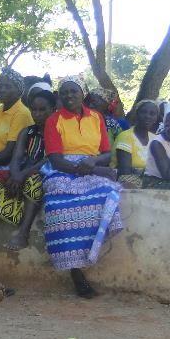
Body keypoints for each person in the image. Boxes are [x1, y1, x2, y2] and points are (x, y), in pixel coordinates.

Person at [41, 77, 122, 298]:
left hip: (91, 165)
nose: (69, 96)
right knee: (58, 206)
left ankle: (90, 253)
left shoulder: (96, 117)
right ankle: (75, 272)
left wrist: (94, 162)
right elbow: (56, 160)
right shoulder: (53, 120)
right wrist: (92, 169)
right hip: (63, 170)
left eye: (73, 91)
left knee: (108, 195)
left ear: (82, 93)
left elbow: (106, 152)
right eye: (64, 92)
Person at [0, 86, 55, 252]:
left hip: (42, 173)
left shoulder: (57, 132)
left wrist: (22, 175)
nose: (37, 114)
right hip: (22, 171)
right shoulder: (27, 132)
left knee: (34, 183)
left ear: (53, 110)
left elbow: (48, 160)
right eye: (34, 110)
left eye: (43, 110)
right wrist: (14, 174)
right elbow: (16, 157)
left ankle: (23, 234)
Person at [0, 67, 33, 167]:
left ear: (19, 90)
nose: (2, 90)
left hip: (6, 164)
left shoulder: (21, 113)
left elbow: (9, 153)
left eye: (8, 86)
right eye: (0, 86)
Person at [114, 99, 160, 188]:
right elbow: (124, 171)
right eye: (143, 112)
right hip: (129, 179)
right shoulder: (126, 136)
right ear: (136, 115)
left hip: (151, 179)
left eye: (152, 114)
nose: (147, 116)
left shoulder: (156, 139)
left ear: (156, 118)